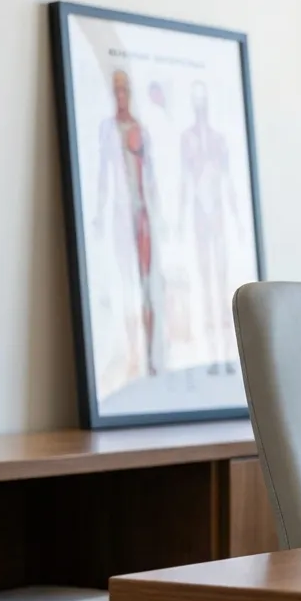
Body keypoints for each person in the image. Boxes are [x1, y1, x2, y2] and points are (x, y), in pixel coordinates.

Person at [95, 69, 164, 378]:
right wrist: (98, 212)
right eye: (116, 91)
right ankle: (132, 356)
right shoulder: (107, 130)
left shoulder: (141, 131)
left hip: (142, 216)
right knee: (126, 286)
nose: (120, 96)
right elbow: (103, 176)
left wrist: (157, 215)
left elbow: (150, 178)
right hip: (120, 217)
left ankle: (149, 357)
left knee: (147, 287)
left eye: (124, 90)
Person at [179, 81, 247, 374]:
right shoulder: (187, 139)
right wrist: (180, 220)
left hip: (217, 217)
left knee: (222, 286)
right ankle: (211, 356)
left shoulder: (219, 140)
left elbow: (229, 182)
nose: (201, 108)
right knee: (206, 285)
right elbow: (184, 182)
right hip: (199, 217)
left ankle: (225, 354)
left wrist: (238, 221)